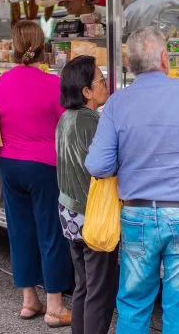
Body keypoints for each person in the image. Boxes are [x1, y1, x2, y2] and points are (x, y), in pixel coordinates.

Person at [85, 26, 179, 334]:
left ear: (130, 65)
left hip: (137, 215)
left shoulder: (117, 103)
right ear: (165, 59)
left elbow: (97, 165)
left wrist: (128, 162)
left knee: (133, 305)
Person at [0, 20, 72, 327]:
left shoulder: (1, 82)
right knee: (51, 233)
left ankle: (29, 300)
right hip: (44, 166)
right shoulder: (53, 84)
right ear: (43, 48)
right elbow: (66, 124)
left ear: (14, 47)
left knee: (20, 230)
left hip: (9, 164)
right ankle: (54, 307)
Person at [56, 55, 116, 334]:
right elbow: (105, 167)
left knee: (83, 284)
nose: (107, 84)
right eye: (101, 80)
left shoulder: (66, 119)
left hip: (69, 210)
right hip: (92, 213)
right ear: (87, 92)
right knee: (99, 291)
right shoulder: (91, 122)